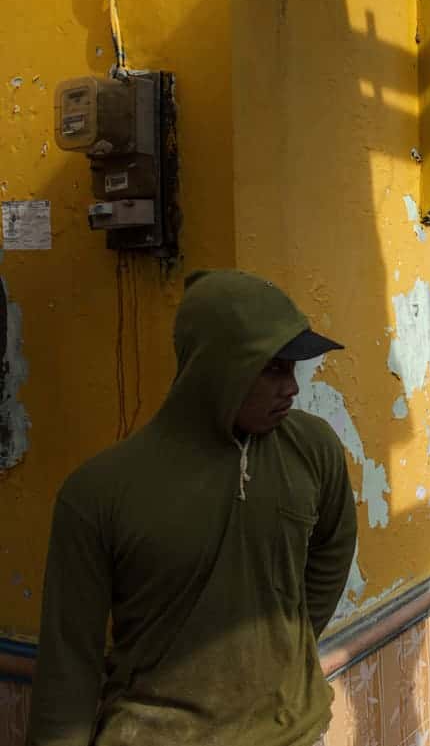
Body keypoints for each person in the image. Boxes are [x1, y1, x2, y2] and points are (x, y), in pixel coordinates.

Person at [30, 270, 358, 746]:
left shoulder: (310, 448)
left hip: (295, 732)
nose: (291, 387)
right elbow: (69, 665)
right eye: (271, 369)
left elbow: (334, 542)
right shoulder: (99, 494)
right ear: (216, 368)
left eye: (293, 369)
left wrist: (289, 643)